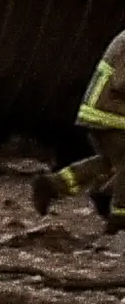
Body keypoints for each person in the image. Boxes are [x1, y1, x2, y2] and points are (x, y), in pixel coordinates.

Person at [39, 23, 125, 227]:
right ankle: (120, 217)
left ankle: (53, 185)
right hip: (108, 113)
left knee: (110, 162)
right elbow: (122, 82)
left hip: (106, 113)